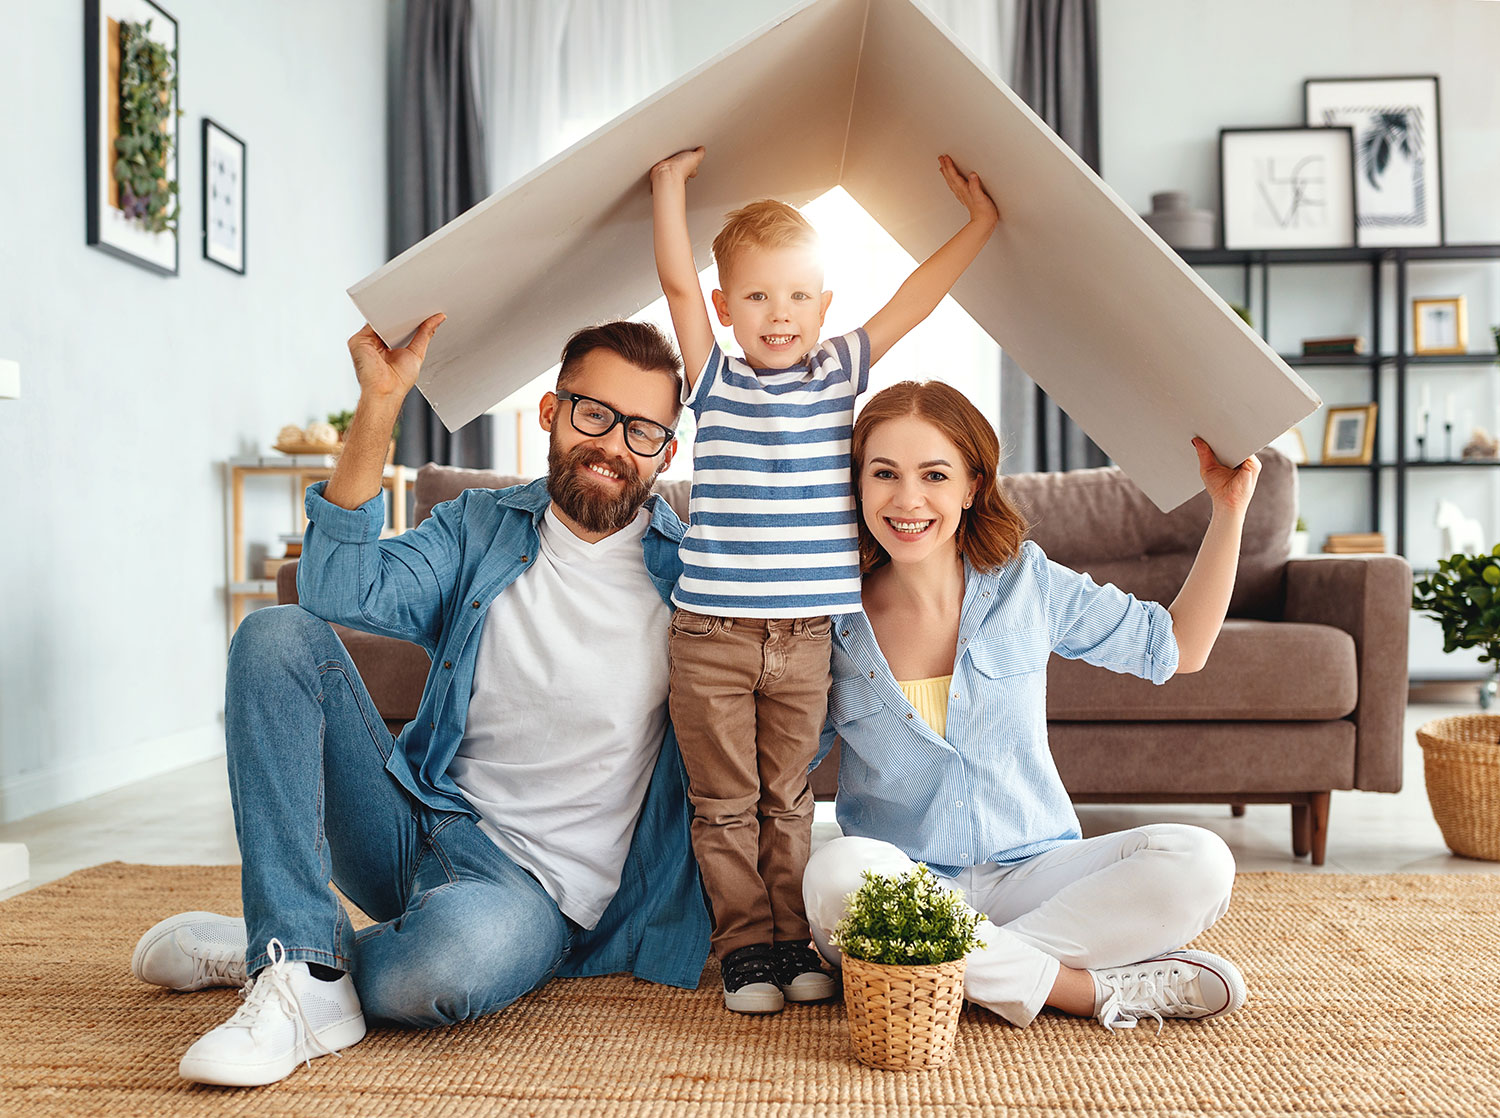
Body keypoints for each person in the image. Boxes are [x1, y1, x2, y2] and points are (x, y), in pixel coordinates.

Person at [130, 316, 711, 1086]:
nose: (613, 446)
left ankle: (285, 948)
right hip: (412, 824)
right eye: (594, 414)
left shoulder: (694, 573)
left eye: (643, 431)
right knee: (274, 637)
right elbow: (336, 588)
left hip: (531, 892)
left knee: (436, 975)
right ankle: (301, 966)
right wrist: (380, 401)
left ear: (667, 451)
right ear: (552, 412)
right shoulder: (481, 527)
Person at [648, 146, 998, 1014]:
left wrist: (978, 224)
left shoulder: (841, 370)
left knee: (790, 802)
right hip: (712, 638)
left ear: (825, 305)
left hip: (807, 638)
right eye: (759, 296)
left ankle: (793, 941)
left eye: (799, 295)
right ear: (729, 307)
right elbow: (678, 289)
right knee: (725, 805)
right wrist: (668, 191)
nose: (780, 314)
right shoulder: (713, 377)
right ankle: (743, 953)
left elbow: (913, 302)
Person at [803, 380, 1261, 1032]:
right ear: (858, 484)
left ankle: (944, 974)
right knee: (836, 873)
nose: (907, 499)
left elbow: (1179, 646)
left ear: (971, 486)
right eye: (884, 474)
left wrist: (1228, 510)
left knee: (1200, 860)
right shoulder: (829, 620)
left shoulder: (1027, 582)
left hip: (1037, 876)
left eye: (934, 474)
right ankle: (1086, 992)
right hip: (906, 885)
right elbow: (778, 772)